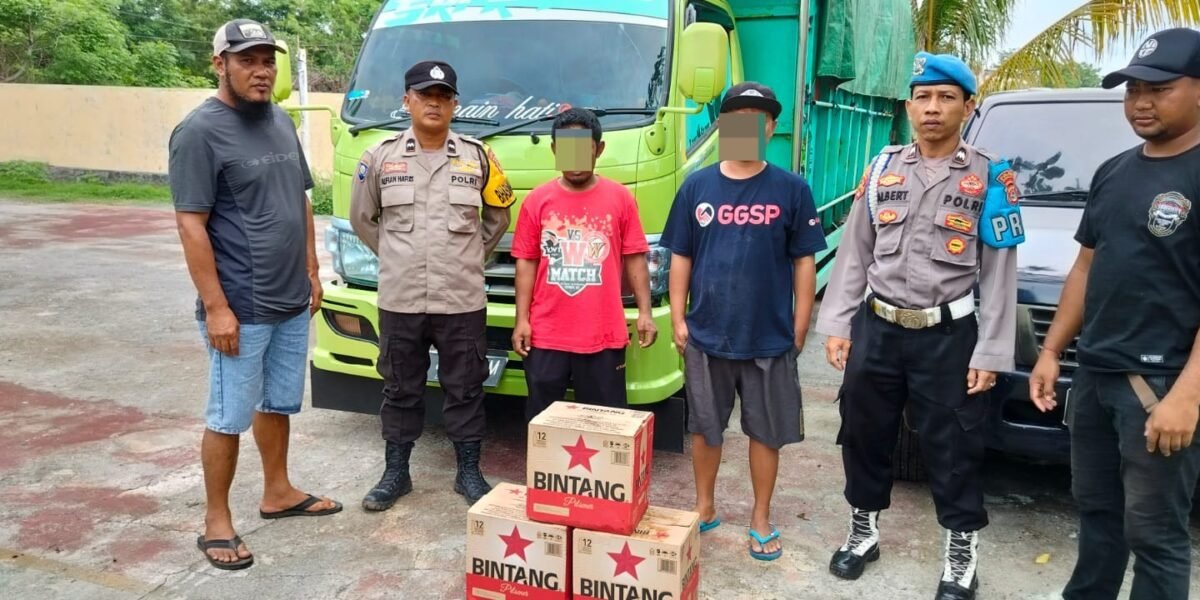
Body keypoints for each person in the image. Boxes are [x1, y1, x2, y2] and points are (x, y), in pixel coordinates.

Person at [814, 52, 1023, 600]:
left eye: (946, 98)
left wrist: (991, 352)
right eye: (923, 97)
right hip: (878, 327)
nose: (932, 108)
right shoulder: (882, 168)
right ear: (909, 106)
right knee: (863, 433)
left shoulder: (991, 176)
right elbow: (855, 253)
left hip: (948, 336)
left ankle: (961, 555)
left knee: (954, 446)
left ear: (967, 107)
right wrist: (838, 324)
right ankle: (862, 533)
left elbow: (1000, 274)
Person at [1029, 28, 1200, 600]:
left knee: (1155, 534)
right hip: (1096, 376)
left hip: (1160, 384)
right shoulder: (1114, 171)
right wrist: (1052, 351)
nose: (1141, 103)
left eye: (1160, 89)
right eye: (1132, 90)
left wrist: (1187, 396)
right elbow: (1085, 268)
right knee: (1097, 514)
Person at [169, 19, 342, 572]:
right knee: (228, 415)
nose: (261, 71)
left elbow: (302, 200)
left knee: (278, 403)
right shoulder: (199, 131)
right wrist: (217, 307)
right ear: (219, 64)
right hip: (241, 306)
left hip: (290, 298)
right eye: (247, 60)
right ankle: (215, 521)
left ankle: (278, 491)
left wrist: (312, 269)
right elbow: (191, 225)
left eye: (268, 60)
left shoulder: (281, 121)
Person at [661, 82, 827, 562]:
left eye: (758, 119)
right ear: (723, 127)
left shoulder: (791, 189)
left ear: (771, 128)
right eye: (736, 119)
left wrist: (800, 325)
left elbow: (804, 261)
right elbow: (681, 255)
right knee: (705, 427)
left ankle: (760, 516)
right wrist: (678, 317)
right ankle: (705, 506)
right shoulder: (697, 187)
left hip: (768, 337)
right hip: (707, 333)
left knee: (765, 432)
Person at [350, 60, 514, 511]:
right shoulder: (378, 156)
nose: (434, 104)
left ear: (455, 104)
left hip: (461, 298)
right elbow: (362, 218)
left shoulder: (479, 156)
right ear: (407, 101)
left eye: (444, 96)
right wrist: (397, 256)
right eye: (425, 95)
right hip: (401, 297)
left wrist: (468, 258)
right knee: (400, 388)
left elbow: (498, 217)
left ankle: (468, 472)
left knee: (467, 387)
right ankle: (396, 474)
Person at [510, 108, 656, 419]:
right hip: (546, 334)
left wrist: (645, 312)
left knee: (605, 423)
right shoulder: (536, 201)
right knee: (544, 422)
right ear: (554, 150)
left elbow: (635, 258)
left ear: (598, 149)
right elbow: (526, 264)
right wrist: (521, 320)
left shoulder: (621, 198)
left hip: (603, 334)